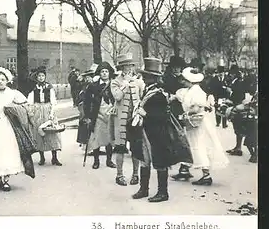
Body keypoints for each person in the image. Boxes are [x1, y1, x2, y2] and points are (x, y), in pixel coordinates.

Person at [131, 58, 193, 202]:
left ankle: (163, 192)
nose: (144, 78)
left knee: (160, 162)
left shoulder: (159, 94)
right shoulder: (148, 90)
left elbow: (162, 115)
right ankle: (143, 189)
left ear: (153, 78)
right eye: (144, 75)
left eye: (146, 76)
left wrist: (144, 114)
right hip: (147, 131)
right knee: (144, 159)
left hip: (158, 132)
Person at [172, 67, 230, 185]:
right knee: (189, 145)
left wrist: (186, 113)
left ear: (189, 80)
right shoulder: (189, 90)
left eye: (183, 79)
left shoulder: (197, 92)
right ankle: (185, 169)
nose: (182, 81)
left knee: (199, 146)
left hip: (198, 123)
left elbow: (197, 108)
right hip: (193, 123)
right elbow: (180, 96)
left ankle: (206, 175)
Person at [0, 66, 31, 191]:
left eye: (3, 79)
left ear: (7, 81)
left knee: (6, 149)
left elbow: (25, 104)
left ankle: (6, 179)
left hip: (7, 124)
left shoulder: (12, 93)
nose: (0, 82)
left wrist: (14, 110)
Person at [110, 54, 145, 186]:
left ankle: (135, 174)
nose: (128, 69)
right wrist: (124, 85)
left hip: (134, 118)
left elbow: (141, 96)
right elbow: (117, 96)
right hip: (121, 119)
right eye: (125, 66)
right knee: (120, 147)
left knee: (135, 147)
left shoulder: (137, 82)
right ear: (121, 67)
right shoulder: (115, 82)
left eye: (130, 66)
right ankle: (119, 175)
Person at [83, 62, 117, 169]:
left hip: (110, 114)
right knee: (96, 138)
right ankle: (96, 161)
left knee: (109, 138)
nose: (104, 74)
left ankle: (109, 160)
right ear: (99, 73)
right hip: (97, 115)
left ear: (109, 73)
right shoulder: (93, 86)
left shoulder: (113, 85)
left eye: (106, 71)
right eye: (102, 72)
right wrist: (87, 116)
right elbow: (86, 101)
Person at [27, 66, 62, 166]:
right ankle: (42, 157)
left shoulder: (49, 88)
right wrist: (32, 112)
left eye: (43, 76)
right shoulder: (34, 89)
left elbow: (53, 102)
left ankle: (54, 157)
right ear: (37, 77)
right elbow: (30, 102)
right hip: (38, 111)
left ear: (45, 77)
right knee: (39, 133)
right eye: (39, 76)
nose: (41, 78)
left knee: (52, 133)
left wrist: (51, 113)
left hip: (47, 110)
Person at [225, 64, 248, 156]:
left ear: (233, 73)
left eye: (231, 73)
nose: (230, 75)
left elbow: (239, 94)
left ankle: (238, 148)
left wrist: (230, 92)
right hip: (237, 105)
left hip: (237, 105)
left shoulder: (238, 82)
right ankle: (237, 147)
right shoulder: (237, 81)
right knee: (237, 127)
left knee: (238, 127)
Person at [76, 66, 96, 148]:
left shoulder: (93, 86)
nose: (88, 79)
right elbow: (81, 97)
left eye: (90, 77)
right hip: (84, 108)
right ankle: (86, 145)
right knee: (84, 125)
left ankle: (91, 145)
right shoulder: (84, 86)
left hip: (92, 107)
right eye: (87, 77)